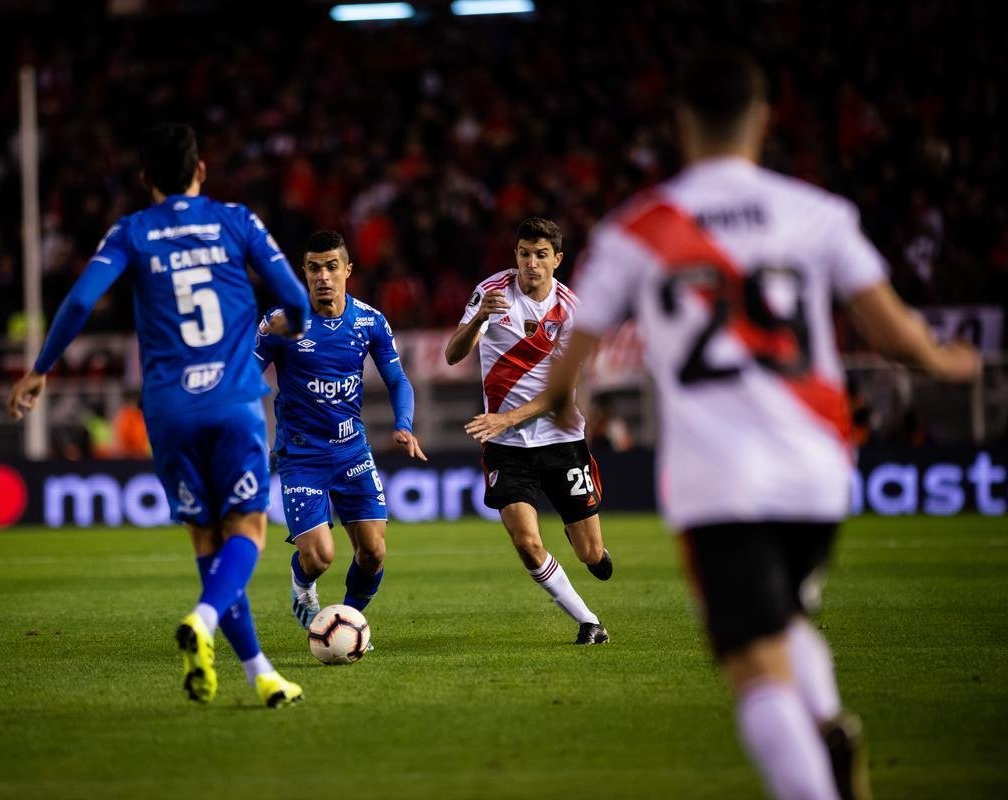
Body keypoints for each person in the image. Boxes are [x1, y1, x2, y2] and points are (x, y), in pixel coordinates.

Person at [543, 50, 981, 800]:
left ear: (682, 124)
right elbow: (893, 335)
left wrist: (560, 410)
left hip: (722, 481)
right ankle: (828, 725)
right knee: (784, 622)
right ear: (764, 120)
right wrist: (947, 362)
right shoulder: (818, 213)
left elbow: (566, 369)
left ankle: (813, 766)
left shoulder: (638, 229)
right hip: (819, 471)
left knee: (752, 668)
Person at [7, 123, 311, 708]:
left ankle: (259, 673)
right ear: (202, 170)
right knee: (247, 531)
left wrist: (42, 368)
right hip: (232, 401)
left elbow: (78, 300)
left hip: (169, 408)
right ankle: (202, 618)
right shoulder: (236, 220)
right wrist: (293, 328)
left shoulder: (131, 231)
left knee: (205, 537)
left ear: (145, 178)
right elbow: (294, 301)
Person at [444, 217, 613, 646]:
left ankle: (594, 551)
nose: (531, 264)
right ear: (515, 255)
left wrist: (505, 416)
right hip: (506, 448)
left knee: (590, 554)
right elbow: (452, 354)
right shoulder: (492, 292)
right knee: (526, 543)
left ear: (557, 259)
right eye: (524, 254)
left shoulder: (571, 310)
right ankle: (589, 621)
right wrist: (478, 317)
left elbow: (560, 393)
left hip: (561, 439)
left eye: (541, 255)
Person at [255, 230, 427, 632]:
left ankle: (347, 623)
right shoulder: (280, 324)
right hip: (301, 457)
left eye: (332, 267)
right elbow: (245, 379)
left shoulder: (370, 321)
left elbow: (398, 380)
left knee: (373, 553)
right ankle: (302, 585)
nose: (323, 276)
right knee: (319, 558)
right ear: (304, 272)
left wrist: (403, 425)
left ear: (348, 270)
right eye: (314, 268)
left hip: (352, 452)